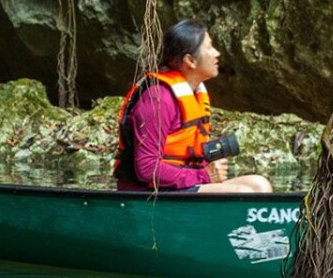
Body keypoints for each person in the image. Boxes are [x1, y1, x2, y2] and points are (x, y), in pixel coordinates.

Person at [114, 20, 273, 193]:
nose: (217, 53)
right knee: (242, 193)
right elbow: (147, 169)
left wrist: (205, 166)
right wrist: (204, 176)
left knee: (259, 184)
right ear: (190, 60)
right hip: (149, 194)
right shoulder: (158, 101)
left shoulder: (194, 92)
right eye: (209, 47)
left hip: (181, 185)